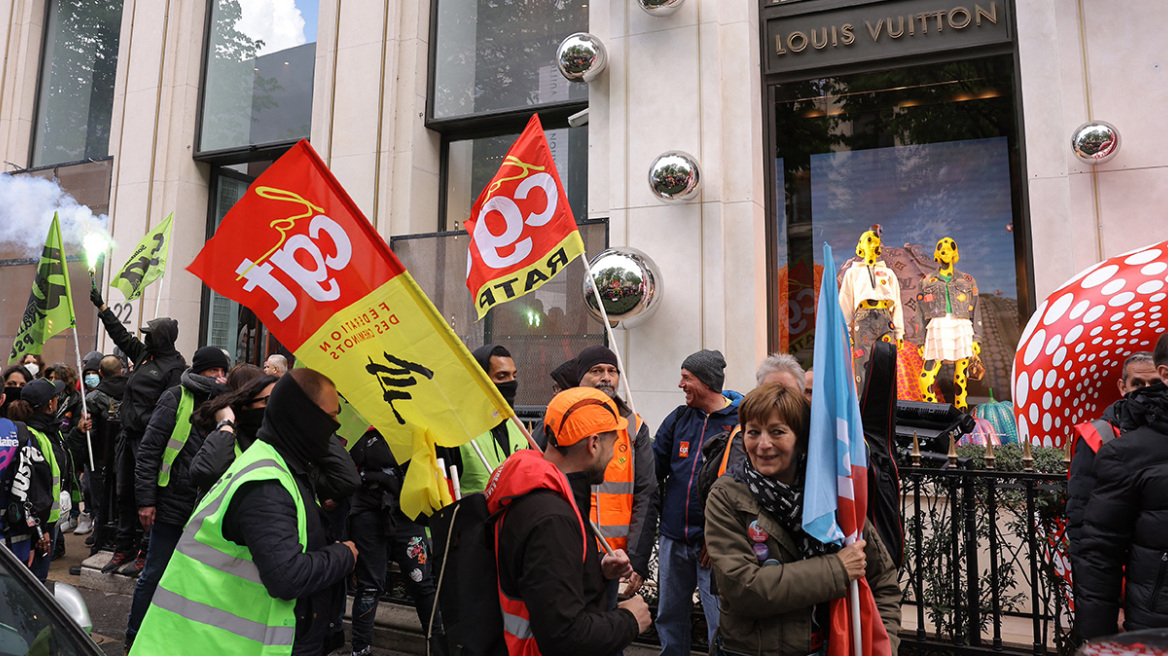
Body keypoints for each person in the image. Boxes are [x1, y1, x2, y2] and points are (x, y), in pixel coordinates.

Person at [131, 369, 359, 656]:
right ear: (305, 417)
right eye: (330, 417)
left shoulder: (283, 466)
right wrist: (343, 555)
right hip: (211, 645)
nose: (336, 426)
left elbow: (345, 479)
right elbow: (287, 577)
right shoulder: (266, 483)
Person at [704, 383, 902, 656]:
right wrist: (836, 569)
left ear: (800, 438)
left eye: (777, 432)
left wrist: (883, 647)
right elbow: (744, 589)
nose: (763, 444)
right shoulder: (727, 495)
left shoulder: (832, 495)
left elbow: (882, 582)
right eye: (753, 432)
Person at [486, 387, 652, 655]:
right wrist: (630, 620)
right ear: (593, 444)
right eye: (613, 443)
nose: (613, 456)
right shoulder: (553, 519)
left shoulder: (542, 495)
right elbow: (564, 637)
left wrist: (596, 567)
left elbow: (544, 579)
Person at [123, 346, 230, 649]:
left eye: (223, 371)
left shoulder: (227, 403)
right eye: (213, 370)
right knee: (155, 572)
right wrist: (146, 501)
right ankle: (134, 637)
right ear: (199, 370)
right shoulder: (176, 397)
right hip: (172, 504)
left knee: (193, 580)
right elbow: (149, 452)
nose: (219, 376)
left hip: (207, 509)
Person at [1077, 334, 1168, 639]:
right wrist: (1103, 631)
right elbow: (1097, 543)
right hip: (1154, 620)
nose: (1144, 389)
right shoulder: (1117, 446)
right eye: (1138, 383)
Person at [653, 349, 742, 655]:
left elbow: (744, 489)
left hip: (714, 547)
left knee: (719, 620)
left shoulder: (740, 423)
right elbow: (652, 470)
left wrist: (718, 537)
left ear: (706, 382)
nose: (681, 385)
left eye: (686, 378)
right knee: (669, 616)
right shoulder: (678, 418)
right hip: (673, 538)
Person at [91, 288, 187, 576]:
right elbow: (121, 336)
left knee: (147, 496)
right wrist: (103, 307)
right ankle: (122, 548)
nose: (145, 338)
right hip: (127, 437)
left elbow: (171, 409)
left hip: (149, 441)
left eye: (150, 334)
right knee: (124, 494)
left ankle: (146, 551)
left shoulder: (175, 368)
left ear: (163, 338)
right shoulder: (145, 354)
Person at [348, 428, 446, 656]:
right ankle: (361, 650)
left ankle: (437, 648)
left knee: (421, 583)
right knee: (369, 587)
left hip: (408, 513)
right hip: (369, 514)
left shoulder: (417, 427)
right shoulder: (361, 430)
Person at [573, 345, 658, 602]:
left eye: (612, 371)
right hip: (570, 555)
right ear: (580, 377)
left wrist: (637, 559)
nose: (606, 378)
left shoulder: (634, 427)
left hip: (615, 561)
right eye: (596, 371)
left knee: (609, 623)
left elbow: (646, 495)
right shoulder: (561, 421)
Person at [1066, 351, 1157, 578]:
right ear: (1122, 387)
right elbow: (1080, 514)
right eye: (1138, 384)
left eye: (1155, 384)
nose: (1147, 391)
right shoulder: (1097, 437)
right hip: (1119, 566)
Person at [5, 379, 72, 582]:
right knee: (33, 583)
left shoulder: (51, 430)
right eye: (56, 397)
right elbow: (33, 489)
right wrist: (39, 532)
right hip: (39, 527)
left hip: (49, 522)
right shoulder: (32, 436)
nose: (59, 400)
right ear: (50, 404)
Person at [445, 344, 528, 495]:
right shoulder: (455, 431)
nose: (511, 383)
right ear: (479, 380)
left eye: (514, 376)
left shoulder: (517, 426)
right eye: (502, 377)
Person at [68, 356, 126, 554]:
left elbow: (88, 431)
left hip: (100, 458)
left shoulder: (92, 399)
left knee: (100, 504)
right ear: (121, 371)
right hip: (124, 458)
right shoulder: (132, 392)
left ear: (101, 373)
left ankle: (101, 543)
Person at [188, 371, 278, 495]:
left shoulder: (287, 443)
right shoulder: (230, 441)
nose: (277, 406)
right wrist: (226, 423)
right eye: (268, 400)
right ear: (246, 406)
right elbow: (206, 473)